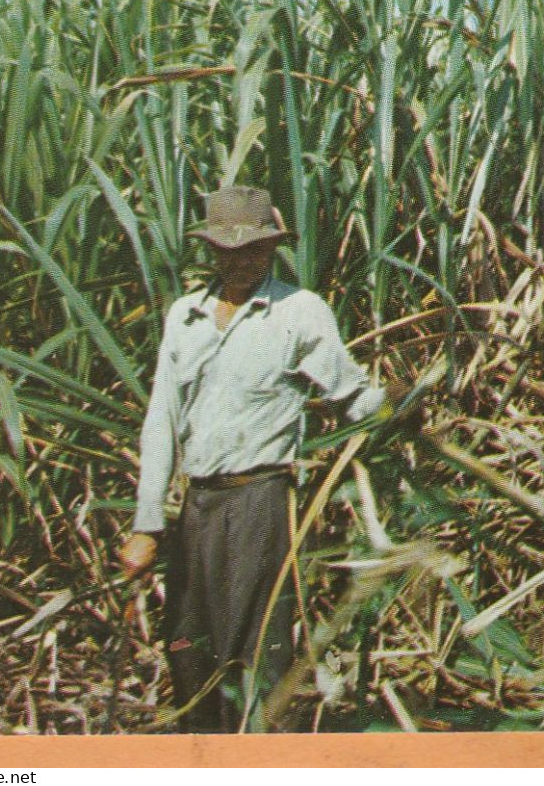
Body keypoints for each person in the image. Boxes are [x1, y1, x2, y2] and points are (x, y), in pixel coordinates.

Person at [117, 186, 393, 731]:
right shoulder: (185, 317)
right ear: (212, 251)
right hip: (198, 506)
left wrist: (398, 405)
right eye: (228, 250)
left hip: (261, 502)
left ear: (271, 249)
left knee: (255, 648)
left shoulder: (299, 312)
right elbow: (161, 420)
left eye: (254, 250)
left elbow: (352, 396)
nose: (241, 262)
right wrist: (146, 525)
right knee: (187, 643)